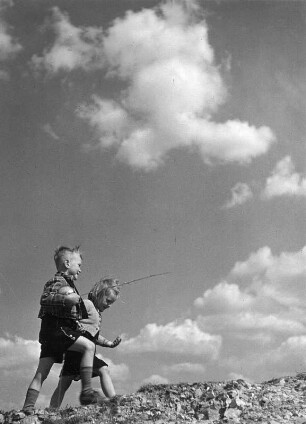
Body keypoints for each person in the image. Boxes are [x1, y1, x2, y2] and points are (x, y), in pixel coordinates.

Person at [22, 246, 104, 415]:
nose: (81, 269)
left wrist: (76, 324)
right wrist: (66, 299)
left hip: (51, 333)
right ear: (67, 263)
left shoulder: (67, 283)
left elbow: (68, 312)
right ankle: (87, 391)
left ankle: (27, 408)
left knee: (41, 373)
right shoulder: (58, 282)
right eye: (79, 265)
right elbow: (45, 299)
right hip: (57, 330)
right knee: (88, 346)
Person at [49, 277, 122, 408]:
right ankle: (113, 400)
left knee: (66, 382)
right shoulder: (87, 304)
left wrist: (110, 344)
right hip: (78, 350)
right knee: (65, 383)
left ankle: (52, 409)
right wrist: (75, 324)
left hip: (85, 353)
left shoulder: (98, 314)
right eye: (108, 300)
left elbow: (95, 335)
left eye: (112, 303)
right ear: (99, 293)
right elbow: (71, 315)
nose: (109, 305)